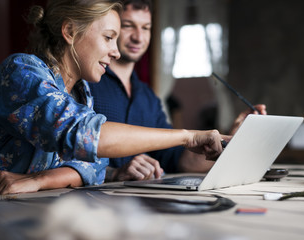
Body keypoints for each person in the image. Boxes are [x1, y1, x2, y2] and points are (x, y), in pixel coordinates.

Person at [0, 0, 229, 195]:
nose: (116, 51)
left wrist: (40, 180)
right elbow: (88, 136)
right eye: (108, 37)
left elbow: (94, 165)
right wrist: (188, 136)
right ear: (69, 31)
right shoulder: (21, 72)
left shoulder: (82, 93)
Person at [89, 0, 267, 182]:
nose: (138, 37)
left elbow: (177, 159)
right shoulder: (88, 82)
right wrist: (113, 172)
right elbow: (69, 147)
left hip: (140, 203)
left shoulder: (148, 96)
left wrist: (232, 141)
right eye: (128, 26)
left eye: (146, 28)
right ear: (113, 28)